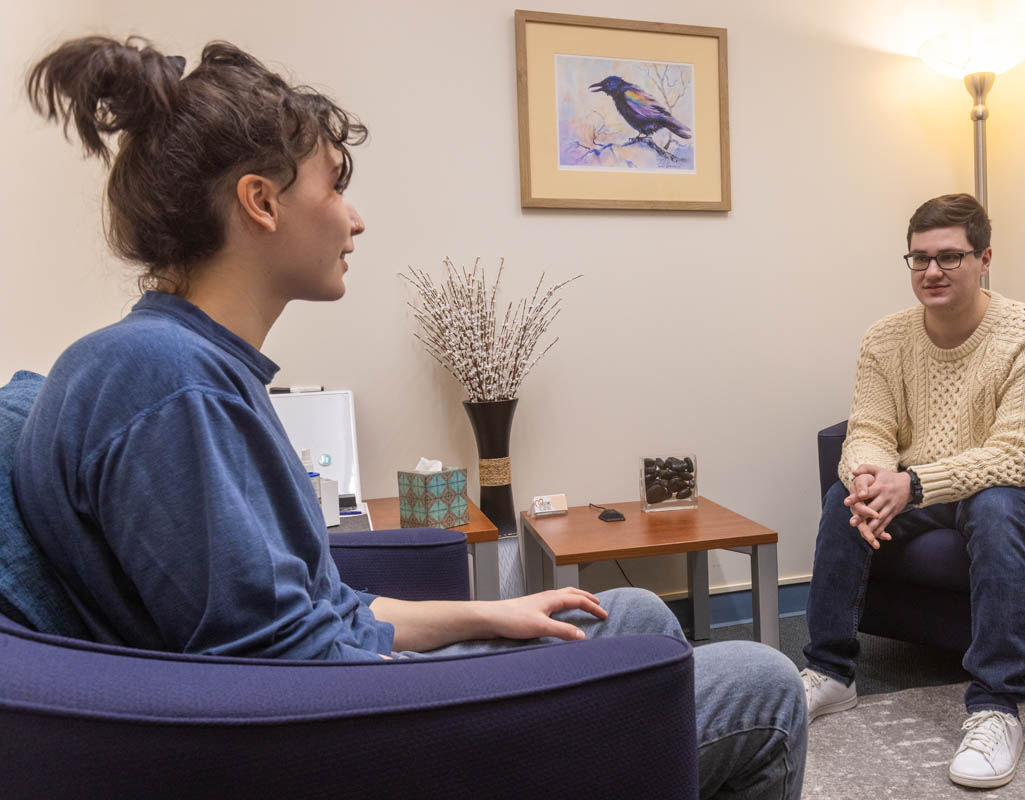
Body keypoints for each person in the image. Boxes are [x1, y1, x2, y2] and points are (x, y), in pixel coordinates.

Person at [14, 36, 805, 798]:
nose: (354, 220)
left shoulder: (186, 365)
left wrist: (494, 614)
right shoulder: (168, 384)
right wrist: (480, 687)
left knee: (630, 610)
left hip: (337, 692)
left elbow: (316, 611)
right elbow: (277, 668)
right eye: (333, 187)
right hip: (351, 740)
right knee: (764, 684)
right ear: (260, 201)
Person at [800, 193, 1025, 789]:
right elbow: (870, 428)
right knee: (843, 500)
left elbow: (1016, 455)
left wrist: (914, 483)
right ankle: (830, 671)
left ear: (985, 259)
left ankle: (996, 707)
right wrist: (869, 477)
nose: (932, 271)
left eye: (950, 257)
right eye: (919, 258)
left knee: (996, 508)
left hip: (1008, 487)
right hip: (918, 485)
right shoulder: (885, 337)